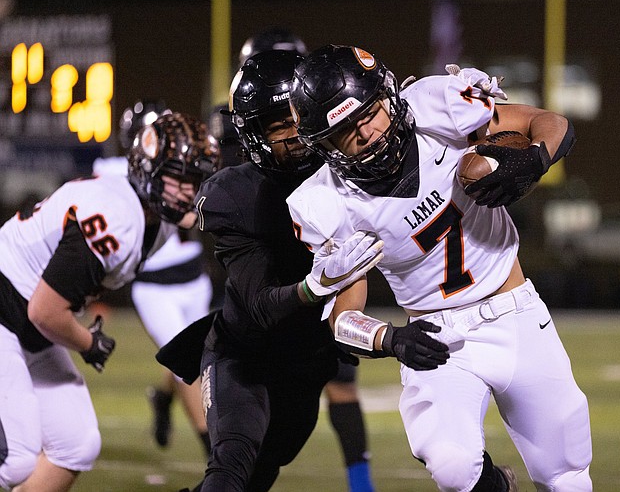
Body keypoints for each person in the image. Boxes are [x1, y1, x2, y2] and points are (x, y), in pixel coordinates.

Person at [287, 45, 592, 492]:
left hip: (516, 311)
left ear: (387, 96)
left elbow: (550, 123)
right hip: (437, 335)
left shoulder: (437, 106)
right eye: (347, 131)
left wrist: (534, 158)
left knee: (564, 472)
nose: (367, 133)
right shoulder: (327, 202)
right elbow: (342, 319)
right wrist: (390, 339)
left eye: (369, 113)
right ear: (325, 146)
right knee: (451, 466)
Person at [159, 49, 445, 492]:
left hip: (308, 362)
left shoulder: (350, 172)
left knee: (258, 477)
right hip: (245, 354)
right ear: (255, 137)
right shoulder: (236, 196)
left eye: (301, 117)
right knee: (230, 469)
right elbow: (259, 307)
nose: (298, 134)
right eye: (280, 127)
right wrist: (317, 285)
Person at [0, 112, 220, 492]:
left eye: (196, 179)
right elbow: (46, 310)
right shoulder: (116, 217)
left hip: (27, 319)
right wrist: (89, 343)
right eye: (180, 178)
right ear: (149, 170)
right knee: (15, 458)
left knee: (76, 443)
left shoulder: (158, 218)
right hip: (8, 308)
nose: (190, 190)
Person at [238, 27, 380, 492]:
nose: (292, 127)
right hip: (280, 294)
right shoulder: (246, 169)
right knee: (256, 406)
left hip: (327, 275)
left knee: (337, 380)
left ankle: (361, 485)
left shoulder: (329, 141)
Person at [94, 100, 213, 456]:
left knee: (198, 354)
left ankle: (163, 399)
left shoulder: (184, 163)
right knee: (187, 367)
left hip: (194, 277)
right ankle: (216, 453)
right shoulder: (113, 171)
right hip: (153, 286)